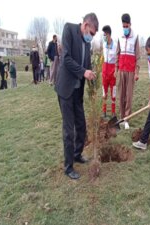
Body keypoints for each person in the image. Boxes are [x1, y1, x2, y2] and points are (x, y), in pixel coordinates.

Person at [55, 13, 99, 179]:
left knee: (81, 125)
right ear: (86, 25)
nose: (92, 37)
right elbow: (65, 58)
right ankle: (68, 167)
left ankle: (77, 154)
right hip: (66, 89)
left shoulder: (86, 43)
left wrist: (92, 77)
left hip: (77, 91)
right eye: (92, 33)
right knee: (69, 130)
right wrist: (83, 72)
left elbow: (86, 64)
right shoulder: (69, 29)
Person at [116, 13, 140, 130]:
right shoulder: (119, 36)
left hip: (130, 71)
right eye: (123, 26)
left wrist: (137, 72)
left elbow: (138, 56)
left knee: (128, 96)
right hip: (121, 70)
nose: (125, 28)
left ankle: (127, 119)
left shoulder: (135, 37)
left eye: (126, 26)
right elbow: (117, 53)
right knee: (121, 95)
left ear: (130, 24)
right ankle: (121, 117)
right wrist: (116, 69)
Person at [101, 25, 117, 118]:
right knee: (104, 94)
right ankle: (104, 111)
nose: (104, 36)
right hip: (104, 71)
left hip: (112, 72)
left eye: (105, 35)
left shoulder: (115, 46)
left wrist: (116, 70)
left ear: (109, 34)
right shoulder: (103, 44)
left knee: (113, 94)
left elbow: (117, 59)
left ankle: (113, 112)